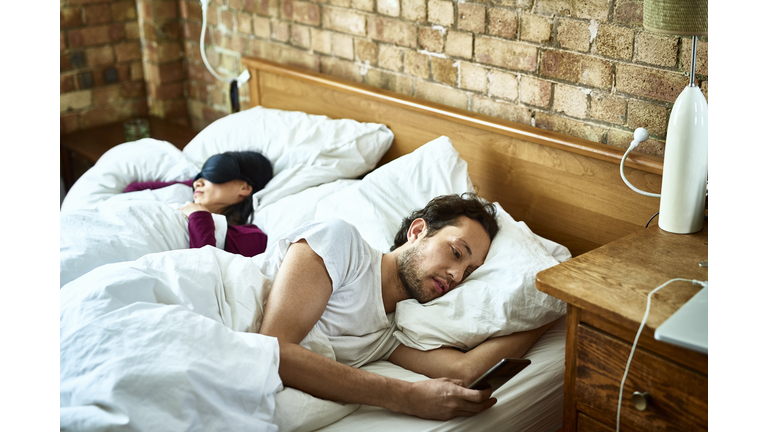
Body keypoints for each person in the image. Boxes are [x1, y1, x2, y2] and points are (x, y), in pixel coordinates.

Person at [255, 193, 557, 420]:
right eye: (455, 252)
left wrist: (553, 306)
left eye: (468, 272)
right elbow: (274, 351)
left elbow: (465, 372)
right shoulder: (342, 244)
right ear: (417, 232)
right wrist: (407, 396)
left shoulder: (390, 332)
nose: (456, 275)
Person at [124, 150, 272, 257]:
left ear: (244, 188)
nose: (197, 182)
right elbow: (132, 191)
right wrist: (194, 183)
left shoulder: (248, 237)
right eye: (199, 176)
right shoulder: (182, 194)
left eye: (213, 173)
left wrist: (199, 216)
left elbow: (201, 269)